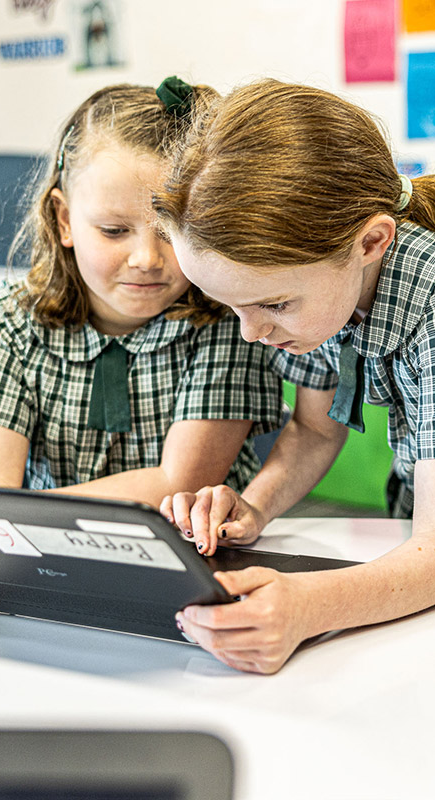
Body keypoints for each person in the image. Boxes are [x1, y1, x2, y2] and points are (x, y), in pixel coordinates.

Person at [153, 78, 435, 674]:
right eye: (233, 307)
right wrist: (253, 509)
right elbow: (313, 429)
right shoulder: (322, 296)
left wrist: (310, 605)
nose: (251, 332)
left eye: (274, 305)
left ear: (371, 240)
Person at [0, 79, 284, 507]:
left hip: (198, 558)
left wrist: (33, 515)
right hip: (46, 564)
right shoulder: (10, 321)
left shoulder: (229, 320)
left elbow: (180, 481)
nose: (146, 258)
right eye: (114, 231)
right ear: (65, 220)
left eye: (170, 232)